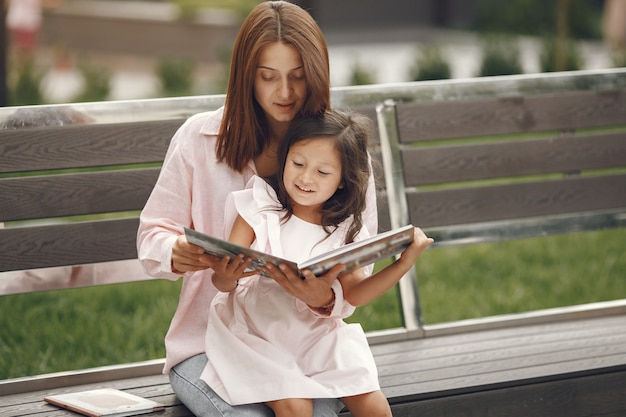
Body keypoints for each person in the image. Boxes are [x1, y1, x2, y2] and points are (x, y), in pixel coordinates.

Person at [137, 2, 378, 416]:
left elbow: (359, 260)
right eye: (268, 77)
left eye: (298, 77)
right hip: (209, 346)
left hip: (305, 346)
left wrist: (325, 297)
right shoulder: (200, 138)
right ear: (246, 76)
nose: (284, 93)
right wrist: (174, 251)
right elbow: (152, 235)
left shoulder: (342, 153)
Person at [200, 110, 434, 417]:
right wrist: (225, 276)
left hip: (315, 333)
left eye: (323, 173)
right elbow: (223, 283)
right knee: (296, 406)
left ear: (341, 181)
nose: (306, 178)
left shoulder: (345, 230)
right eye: (298, 164)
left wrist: (403, 263)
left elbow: (354, 295)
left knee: (371, 400)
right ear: (284, 159)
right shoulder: (260, 206)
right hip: (254, 332)